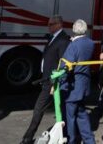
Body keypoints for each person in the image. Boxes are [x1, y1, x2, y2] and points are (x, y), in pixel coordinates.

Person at [21, 15, 70, 144]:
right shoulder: (53, 38)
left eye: (51, 24)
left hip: (52, 82)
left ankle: (27, 137)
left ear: (59, 24)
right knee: (61, 109)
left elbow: (62, 63)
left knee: (39, 108)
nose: (48, 27)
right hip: (46, 80)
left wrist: (55, 83)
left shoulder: (63, 40)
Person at [61, 19, 96, 144]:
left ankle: (71, 140)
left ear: (74, 30)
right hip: (84, 85)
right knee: (81, 114)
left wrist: (59, 83)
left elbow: (65, 67)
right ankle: (89, 140)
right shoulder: (90, 43)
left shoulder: (73, 45)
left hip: (73, 87)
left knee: (70, 117)